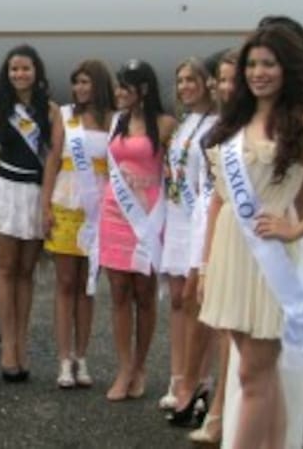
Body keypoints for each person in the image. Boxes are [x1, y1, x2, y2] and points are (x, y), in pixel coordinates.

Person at [198, 24, 303, 448]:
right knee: (259, 376)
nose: (259, 72)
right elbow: (221, 199)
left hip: (268, 259)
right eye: (252, 64)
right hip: (230, 251)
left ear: (286, 69)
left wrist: (298, 227)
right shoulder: (236, 118)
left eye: (269, 64)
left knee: (252, 376)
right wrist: (205, 265)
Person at [0, 45, 61, 383]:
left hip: (34, 194)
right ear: (6, 73)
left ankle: (22, 344)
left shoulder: (51, 112)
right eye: (14, 69)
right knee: (5, 270)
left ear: (36, 72)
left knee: (26, 273)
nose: (19, 75)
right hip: (4, 191)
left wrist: (46, 204)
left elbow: (53, 160)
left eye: (25, 69)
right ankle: (8, 346)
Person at [97, 59, 176, 400]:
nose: (118, 92)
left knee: (144, 295)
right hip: (115, 213)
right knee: (117, 292)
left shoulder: (166, 123)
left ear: (143, 89)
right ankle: (124, 367)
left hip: (149, 217)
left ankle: (141, 366)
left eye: (124, 86)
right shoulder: (117, 121)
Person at [170, 50, 236, 440]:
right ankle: (194, 386)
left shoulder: (242, 121)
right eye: (219, 79)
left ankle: (212, 397)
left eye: (230, 79)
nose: (223, 86)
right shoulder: (203, 122)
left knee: (221, 314)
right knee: (195, 299)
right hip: (203, 217)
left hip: (232, 220)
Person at [41, 59, 114, 388]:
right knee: (65, 284)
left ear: (99, 84)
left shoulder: (114, 119)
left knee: (88, 287)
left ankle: (82, 357)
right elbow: (54, 159)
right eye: (77, 82)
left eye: (86, 82)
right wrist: (45, 206)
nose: (80, 88)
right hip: (67, 203)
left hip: (98, 209)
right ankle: (63, 359)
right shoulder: (65, 114)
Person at [159, 58, 217, 410]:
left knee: (200, 301)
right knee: (179, 300)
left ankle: (201, 380)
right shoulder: (184, 123)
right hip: (177, 216)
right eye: (180, 81)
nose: (184, 87)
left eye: (191, 80)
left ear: (207, 83)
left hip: (199, 219)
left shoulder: (219, 123)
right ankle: (178, 375)